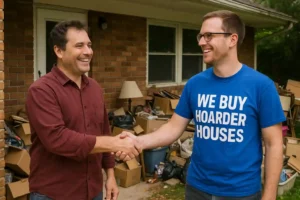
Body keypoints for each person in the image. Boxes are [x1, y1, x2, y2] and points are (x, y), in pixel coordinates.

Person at [120, 10, 285, 200]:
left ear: (232, 39)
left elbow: (274, 144)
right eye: (200, 36)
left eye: (209, 36)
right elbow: (173, 128)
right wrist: (139, 142)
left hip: (241, 192)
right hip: (197, 188)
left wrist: (269, 194)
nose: (201, 42)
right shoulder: (195, 84)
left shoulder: (261, 86)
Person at [26, 20, 139, 200]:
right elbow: (57, 139)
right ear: (59, 51)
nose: (88, 51)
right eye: (79, 46)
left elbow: (104, 131)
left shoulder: (94, 87)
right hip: (54, 193)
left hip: (92, 190)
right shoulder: (41, 90)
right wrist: (114, 143)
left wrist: (110, 176)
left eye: (89, 45)